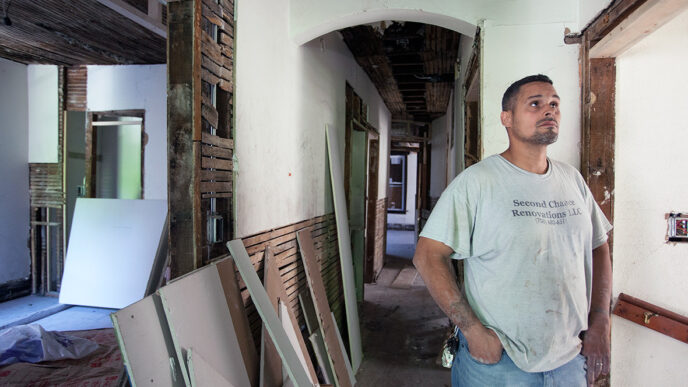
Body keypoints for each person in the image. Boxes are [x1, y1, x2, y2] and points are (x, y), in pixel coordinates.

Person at [413, 74, 613, 386]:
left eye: (554, 104)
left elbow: (599, 246)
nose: (549, 110)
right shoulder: (478, 182)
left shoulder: (572, 180)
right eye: (535, 104)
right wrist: (472, 330)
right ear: (507, 118)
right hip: (497, 364)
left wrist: (600, 319)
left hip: (569, 362)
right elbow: (428, 257)